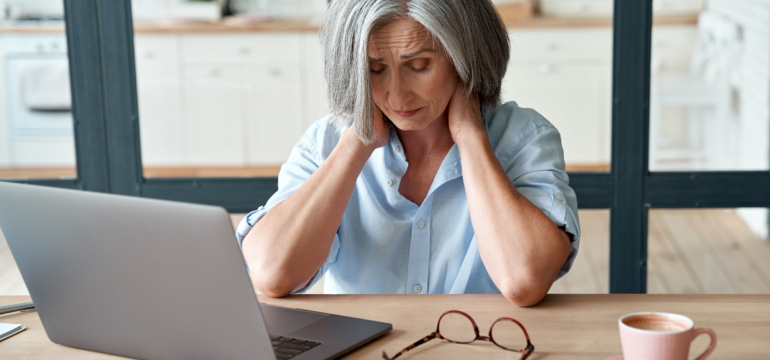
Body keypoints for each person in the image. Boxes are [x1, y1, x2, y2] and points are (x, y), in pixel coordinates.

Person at [236, 0, 580, 307]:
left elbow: (524, 282)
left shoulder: (523, 139)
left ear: (465, 57)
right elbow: (272, 274)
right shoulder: (326, 143)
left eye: (419, 66)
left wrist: (471, 137)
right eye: (374, 69)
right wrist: (357, 143)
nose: (397, 96)